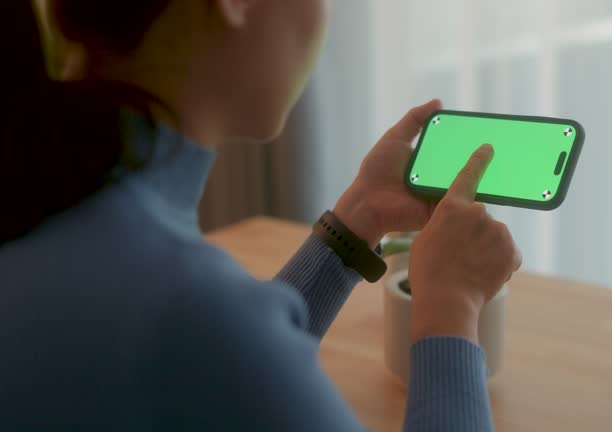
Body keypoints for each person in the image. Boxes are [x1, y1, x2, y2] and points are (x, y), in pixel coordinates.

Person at [0, 1, 522, 431]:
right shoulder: (185, 305)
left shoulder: (56, 201)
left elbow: (214, 368)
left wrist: (356, 219)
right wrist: (451, 305)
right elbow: (209, 333)